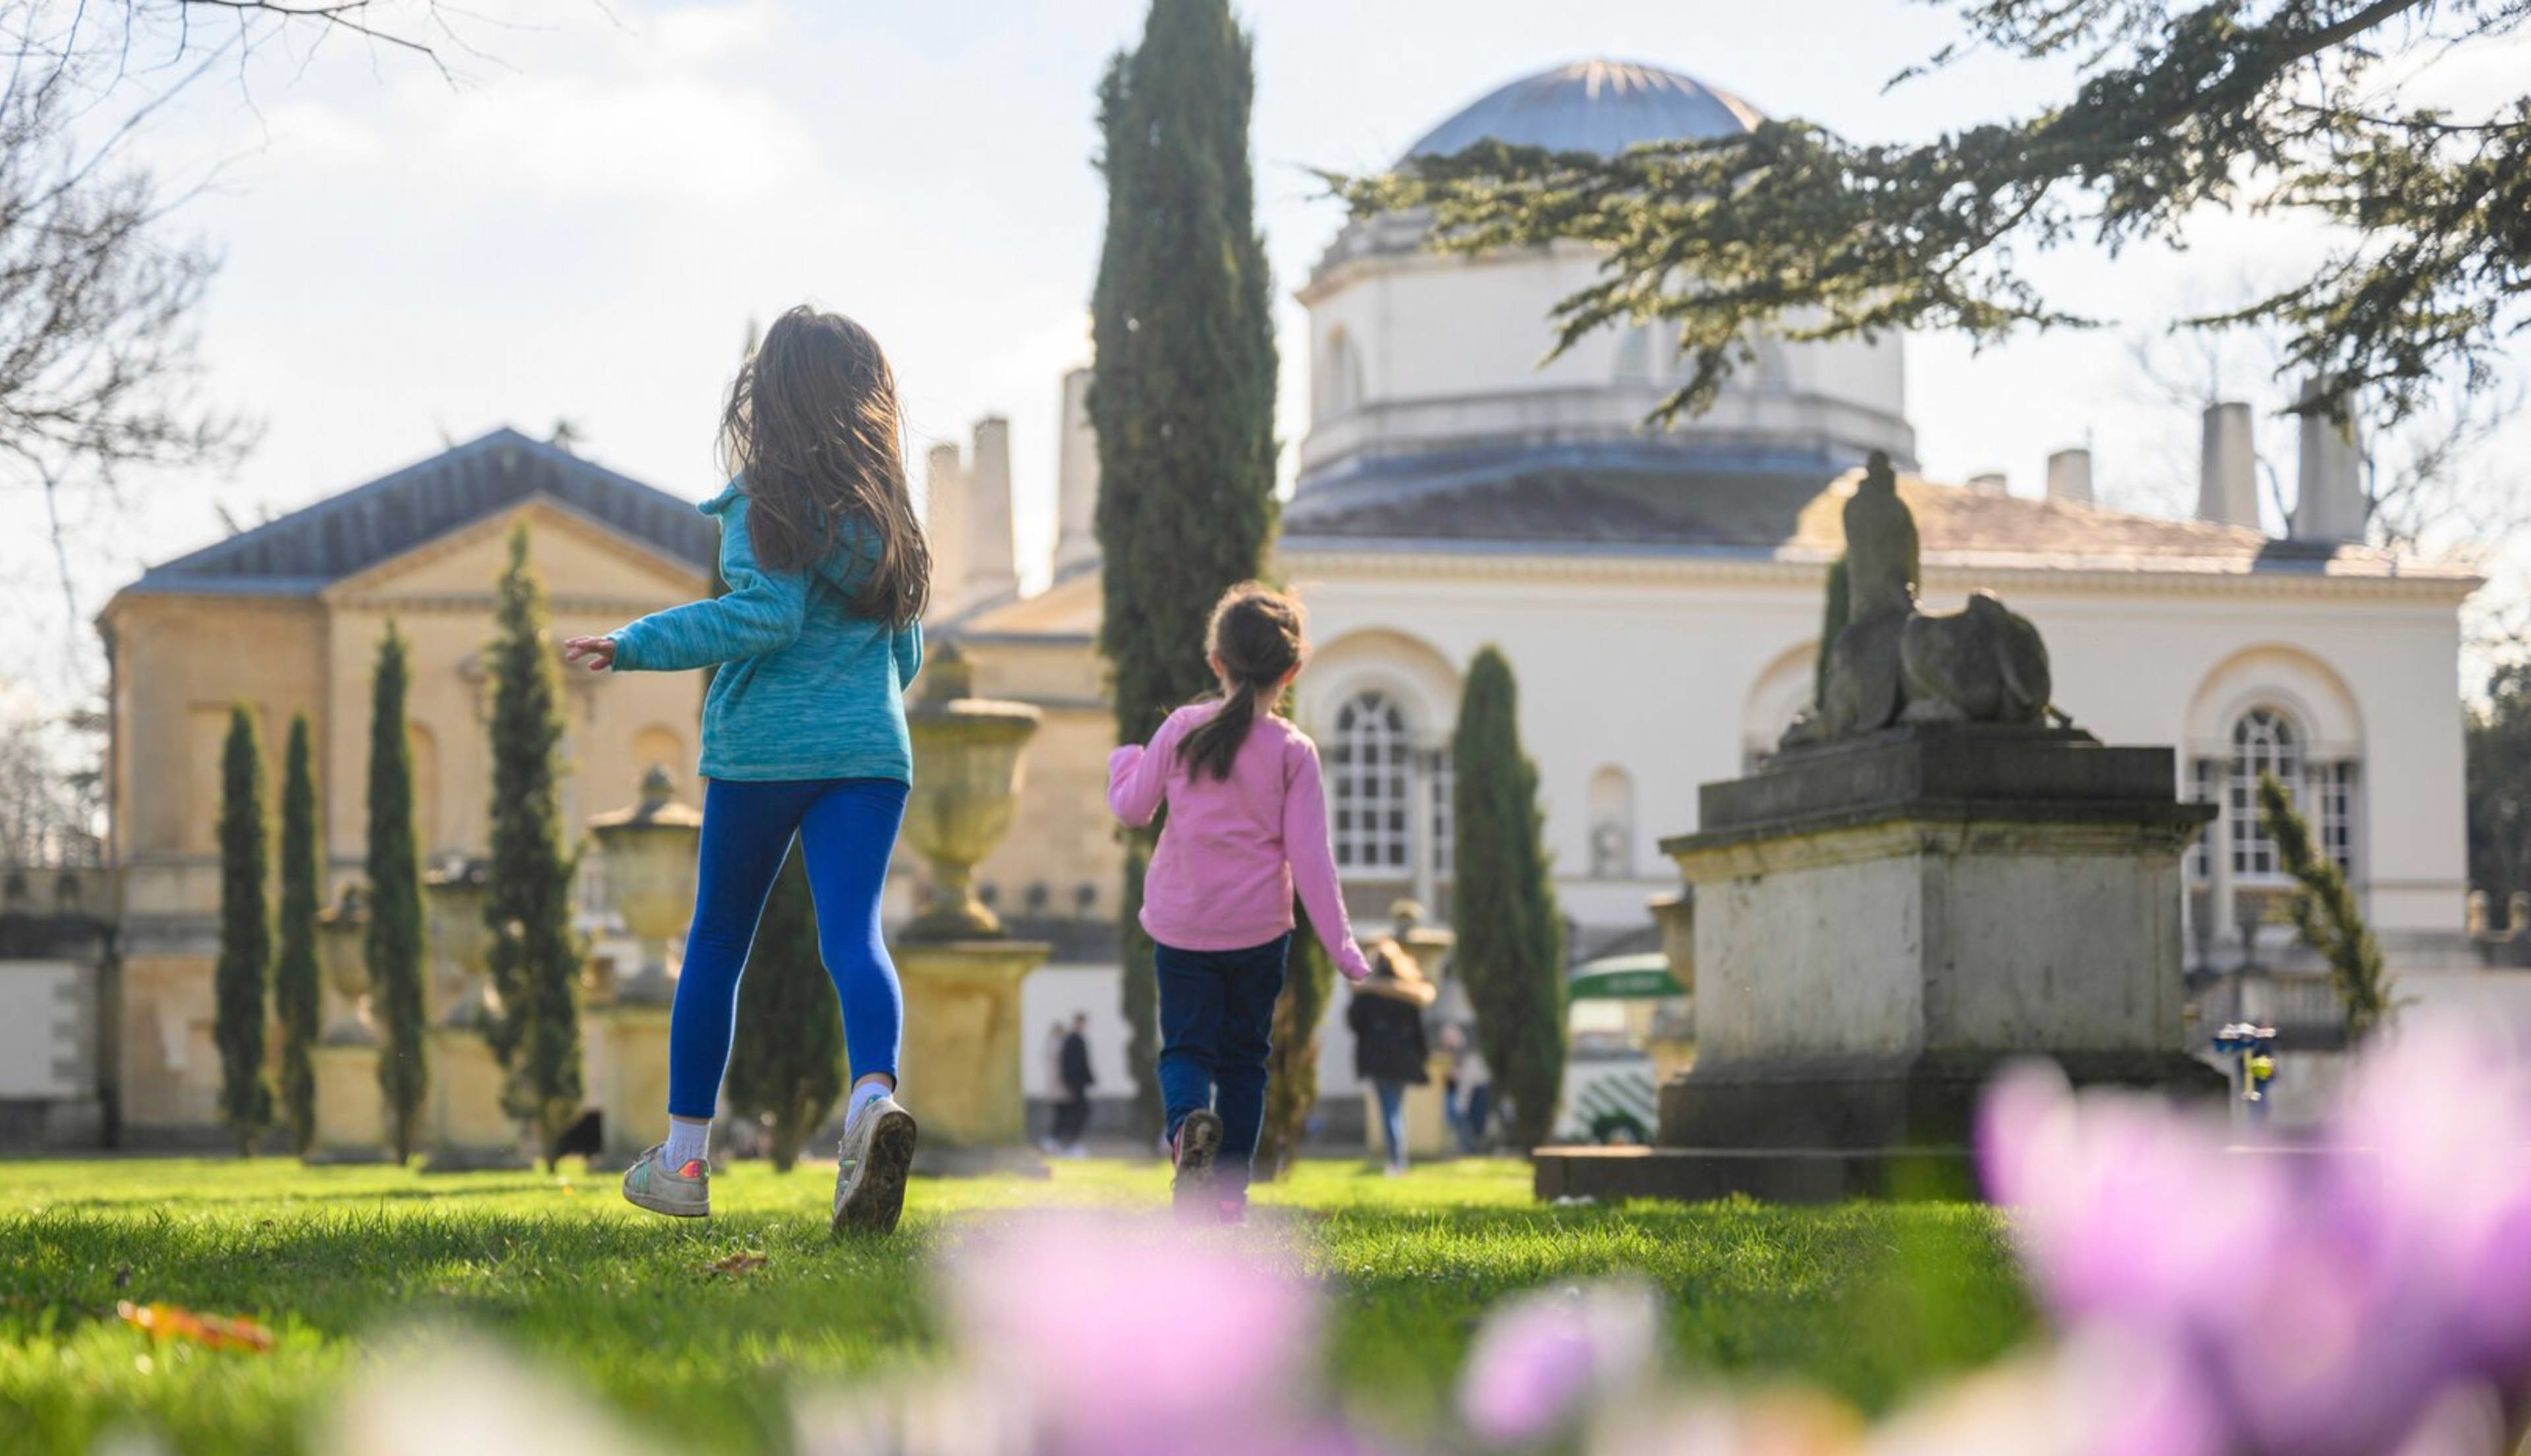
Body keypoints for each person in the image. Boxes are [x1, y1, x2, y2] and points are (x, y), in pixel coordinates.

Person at [566, 305, 929, 1236]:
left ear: (768, 395)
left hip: (765, 751)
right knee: (856, 936)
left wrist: (639, 642)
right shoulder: (887, 515)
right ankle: (871, 1102)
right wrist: (861, 705)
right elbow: (909, 650)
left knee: (719, 942)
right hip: (872, 754)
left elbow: (763, 616)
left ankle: (684, 1159)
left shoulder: (760, 499)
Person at [1107, 583, 1373, 1223]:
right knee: (1246, 1063)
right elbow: (1312, 859)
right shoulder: (1293, 752)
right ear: (1292, 671)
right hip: (1258, 932)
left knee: (1186, 1050)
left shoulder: (1181, 730)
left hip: (1182, 924)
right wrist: (1343, 945)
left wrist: (1125, 762)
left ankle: (1184, 1138)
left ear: (1216, 660)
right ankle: (1227, 1193)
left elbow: (1132, 809)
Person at [1348, 942, 1436, 1175]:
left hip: (1378, 1058)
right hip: (1404, 1058)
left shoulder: (1368, 991)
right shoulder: (1409, 992)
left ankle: (1396, 1160)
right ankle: (1399, 1158)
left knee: (1389, 1109)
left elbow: (1355, 1022)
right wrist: (1423, 1056)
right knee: (1397, 1108)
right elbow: (1419, 1030)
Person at [1055, 1012, 1096, 1155]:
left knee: (1079, 1112)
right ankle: (1071, 1144)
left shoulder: (1076, 1040)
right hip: (1075, 1083)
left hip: (1078, 1083)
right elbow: (1073, 1063)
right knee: (1077, 1113)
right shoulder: (1073, 1040)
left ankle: (1072, 1143)